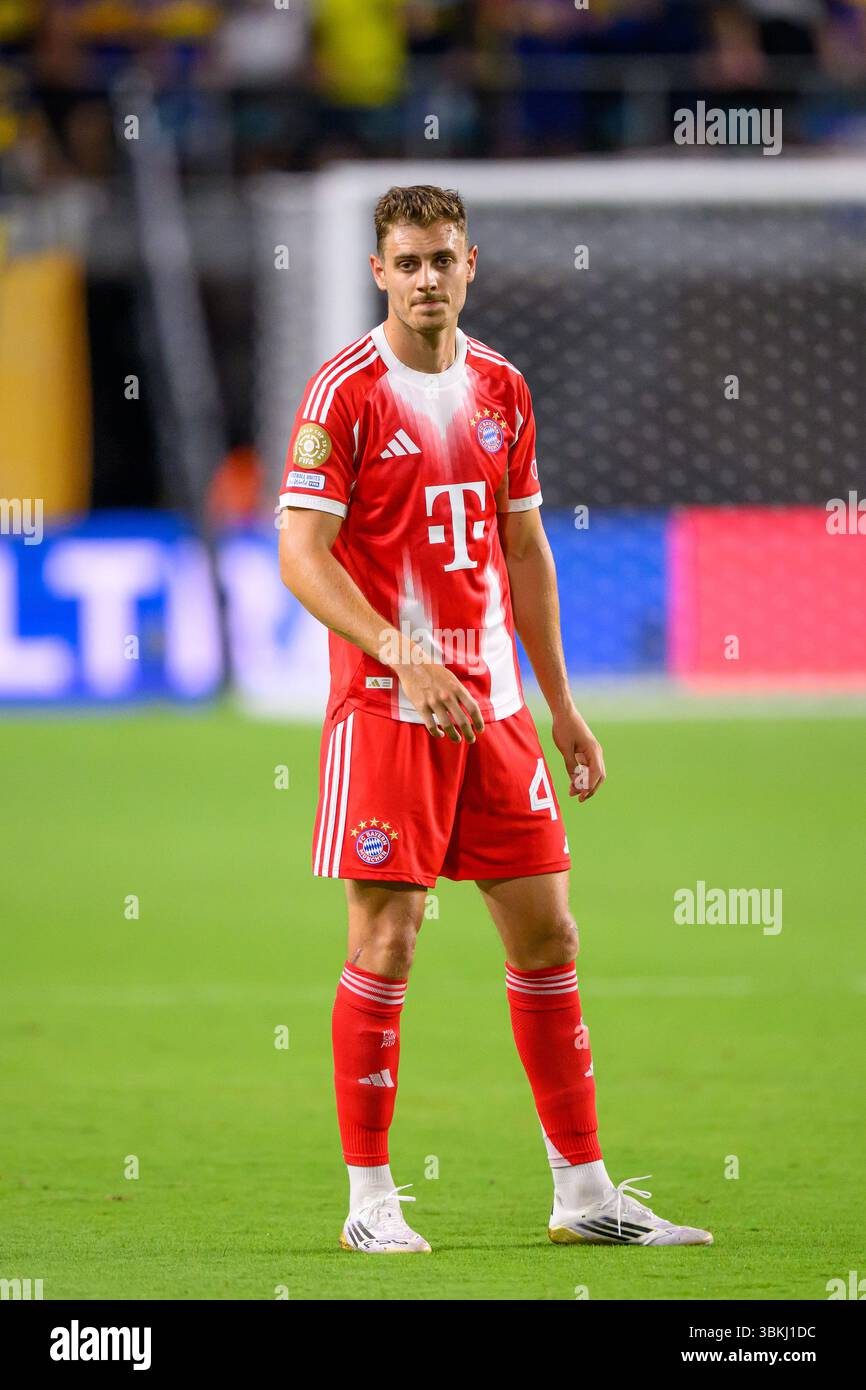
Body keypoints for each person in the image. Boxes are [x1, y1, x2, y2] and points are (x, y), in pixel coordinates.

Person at [277, 183, 713, 1252]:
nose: (427, 279)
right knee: (389, 938)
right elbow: (299, 551)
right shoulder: (344, 392)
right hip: (386, 708)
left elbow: (523, 550)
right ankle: (369, 1204)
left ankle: (582, 1191)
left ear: (471, 262)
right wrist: (399, 651)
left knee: (548, 932)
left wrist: (563, 708)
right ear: (378, 273)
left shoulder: (504, 389)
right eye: (407, 263)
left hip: (500, 711)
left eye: (443, 260)